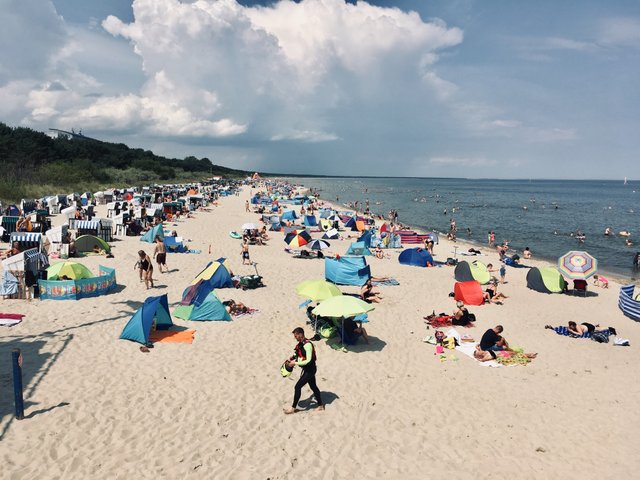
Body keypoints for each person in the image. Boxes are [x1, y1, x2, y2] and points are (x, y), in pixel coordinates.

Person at [284, 327, 324, 414]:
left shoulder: (308, 345)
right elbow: (297, 353)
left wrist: (295, 363)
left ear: (300, 334)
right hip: (307, 370)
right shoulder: (301, 343)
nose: (295, 338)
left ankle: (293, 408)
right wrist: (291, 358)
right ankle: (321, 406)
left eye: (296, 336)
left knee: (297, 387)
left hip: (310, 370)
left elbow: (308, 360)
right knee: (313, 387)